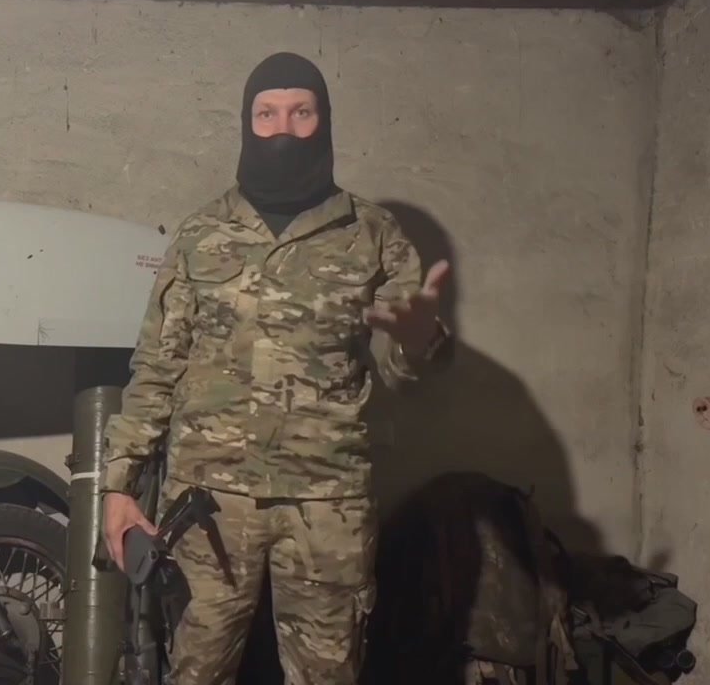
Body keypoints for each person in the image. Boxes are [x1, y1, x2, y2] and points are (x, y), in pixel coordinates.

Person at [99, 52, 455, 685]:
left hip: (327, 505)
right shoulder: (201, 233)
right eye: (267, 114)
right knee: (194, 674)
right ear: (246, 122)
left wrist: (419, 340)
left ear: (324, 121)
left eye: (300, 113)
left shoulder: (373, 234)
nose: (283, 129)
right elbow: (156, 365)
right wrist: (119, 484)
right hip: (209, 505)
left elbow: (403, 373)